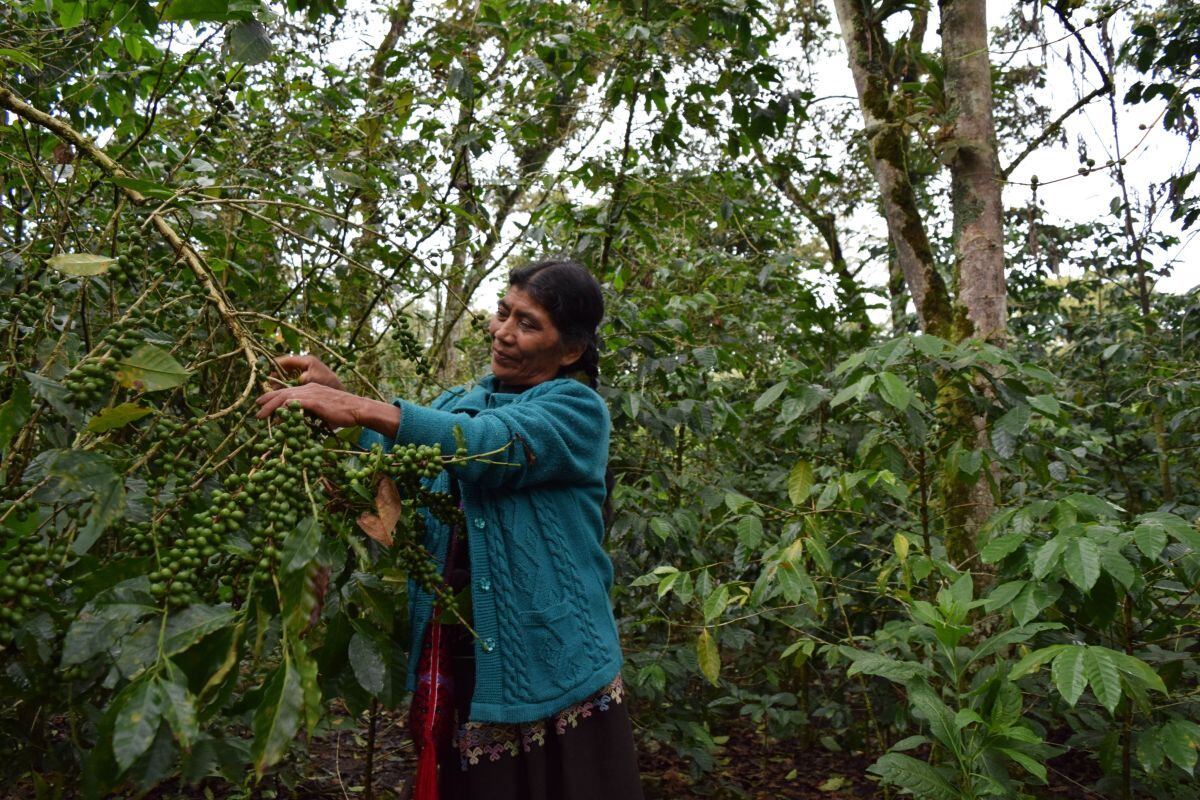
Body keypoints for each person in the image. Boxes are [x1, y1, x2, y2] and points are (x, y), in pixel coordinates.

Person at [255, 259, 644, 800]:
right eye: (503, 313)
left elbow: (489, 447)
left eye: (527, 323)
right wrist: (331, 400)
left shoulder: (576, 410)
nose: (503, 332)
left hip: (553, 660)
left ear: (571, 350)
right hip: (459, 653)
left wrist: (362, 408)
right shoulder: (458, 402)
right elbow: (389, 462)